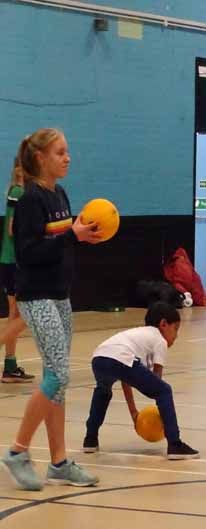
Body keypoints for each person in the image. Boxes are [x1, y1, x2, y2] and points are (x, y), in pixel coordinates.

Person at [1, 128, 101, 491]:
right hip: (36, 296)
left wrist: (80, 235)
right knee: (58, 375)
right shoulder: (29, 200)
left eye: (68, 151)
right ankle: (17, 451)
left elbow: (59, 243)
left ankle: (58, 462)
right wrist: (70, 236)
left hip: (60, 295)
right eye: (60, 152)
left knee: (56, 380)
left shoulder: (59, 193)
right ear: (41, 157)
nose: (67, 157)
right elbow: (27, 253)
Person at [82, 301, 199, 460]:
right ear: (163, 324)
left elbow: (125, 378)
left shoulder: (137, 334)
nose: (176, 335)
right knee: (164, 390)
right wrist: (162, 415)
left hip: (99, 358)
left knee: (103, 392)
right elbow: (157, 380)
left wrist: (134, 413)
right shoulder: (159, 340)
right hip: (121, 358)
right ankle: (175, 444)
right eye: (175, 329)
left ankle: (90, 439)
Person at [0, 155, 32, 383]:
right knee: (21, 314)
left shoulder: (15, 191)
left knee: (16, 314)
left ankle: (10, 367)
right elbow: (13, 229)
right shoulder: (20, 193)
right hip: (15, 262)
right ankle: (9, 366)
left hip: (10, 262)